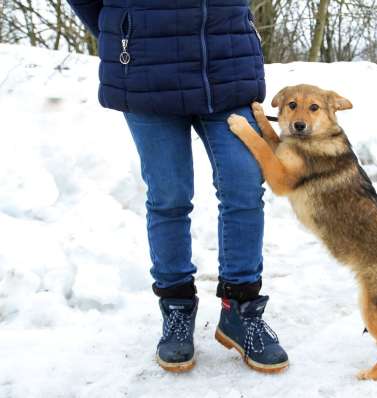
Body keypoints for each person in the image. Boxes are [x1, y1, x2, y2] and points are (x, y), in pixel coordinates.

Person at [66, 0, 288, 373]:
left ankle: (241, 309)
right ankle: (177, 309)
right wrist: (126, 26)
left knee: (244, 185)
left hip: (226, 64)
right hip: (146, 70)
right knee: (169, 195)